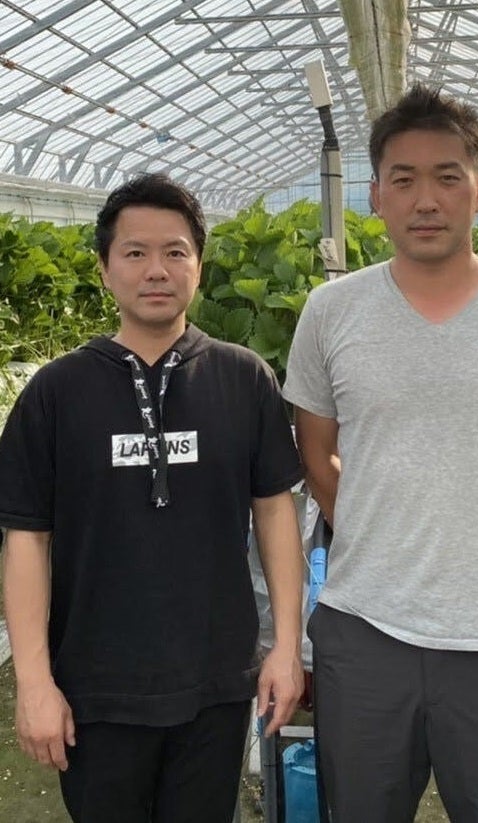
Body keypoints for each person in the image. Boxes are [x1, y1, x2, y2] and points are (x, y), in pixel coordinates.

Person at [283, 82, 478, 822]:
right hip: (364, 629)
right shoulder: (331, 311)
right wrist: (373, 530)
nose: (426, 200)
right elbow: (314, 450)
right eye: (404, 179)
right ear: (375, 197)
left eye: (447, 177)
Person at [0, 172, 305, 823]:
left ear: (199, 265)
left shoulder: (243, 378)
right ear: (105, 268)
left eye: (175, 252)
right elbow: (27, 537)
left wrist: (285, 645)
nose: (156, 270)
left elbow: (276, 511)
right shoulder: (57, 393)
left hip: (216, 682)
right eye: (135, 252)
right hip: (95, 689)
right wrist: (34, 681)